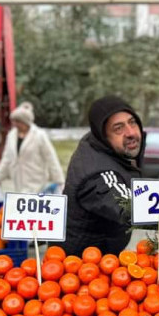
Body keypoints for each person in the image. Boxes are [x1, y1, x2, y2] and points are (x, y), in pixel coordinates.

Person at [63, 96, 146, 257]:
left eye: (132, 122)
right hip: (80, 266)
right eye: (118, 128)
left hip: (106, 258)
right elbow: (129, 206)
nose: (130, 132)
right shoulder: (97, 174)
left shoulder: (103, 145)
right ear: (103, 136)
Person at [0, 101, 64, 194]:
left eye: (18, 121)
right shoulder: (11, 135)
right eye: (14, 121)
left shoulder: (39, 135)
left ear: (25, 122)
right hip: (17, 182)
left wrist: (59, 180)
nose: (15, 124)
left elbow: (51, 158)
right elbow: (7, 158)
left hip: (36, 182)